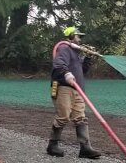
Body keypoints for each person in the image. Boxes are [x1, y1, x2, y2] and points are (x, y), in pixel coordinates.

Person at [47, 26, 101, 159]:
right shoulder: (64, 48)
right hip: (64, 88)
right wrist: (67, 74)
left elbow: (82, 70)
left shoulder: (76, 53)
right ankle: (52, 145)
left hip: (78, 90)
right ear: (71, 36)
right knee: (63, 116)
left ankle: (85, 148)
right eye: (78, 36)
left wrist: (88, 58)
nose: (80, 39)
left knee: (80, 118)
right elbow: (59, 65)